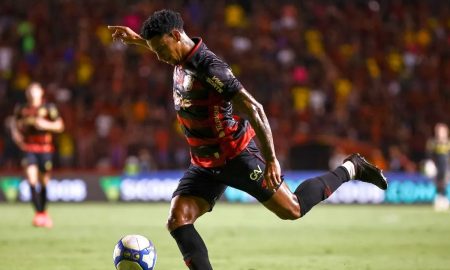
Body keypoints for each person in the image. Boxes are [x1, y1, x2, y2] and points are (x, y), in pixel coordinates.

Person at [108, 9, 388, 269]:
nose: (159, 56)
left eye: (160, 49)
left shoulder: (210, 68)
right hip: (205, 162)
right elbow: (162, 50)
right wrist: (138, 41)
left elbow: (254, 109)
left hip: (236, 156)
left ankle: (353, 167)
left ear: (176, 36)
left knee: (293, 209)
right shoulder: (178, 55)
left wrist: (271, 159)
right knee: (178, 220)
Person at [10, 82, 65, 227]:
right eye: (30, 90)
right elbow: (14, 124)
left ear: (41, 92)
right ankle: (38, 214)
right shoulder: (22, 109)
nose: (32, 93)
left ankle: (44, 212)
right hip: (29, 148)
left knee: (43, 182)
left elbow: (60, 125)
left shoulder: (48, 108)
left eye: (35, 90)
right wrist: (17, 137)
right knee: (31, 179)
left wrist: (46, 125)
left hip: (45, 149)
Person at [426, 123, 450, 211]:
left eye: (442, 131)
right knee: (438, 183)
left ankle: (444, 199)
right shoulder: (433, 143)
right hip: (436, 167)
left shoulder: (448, 143)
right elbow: (429, 155)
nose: (440, 133)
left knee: (444, 182)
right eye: (439, 131)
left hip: (446, 167)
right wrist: (430, 164)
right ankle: (439, 199)